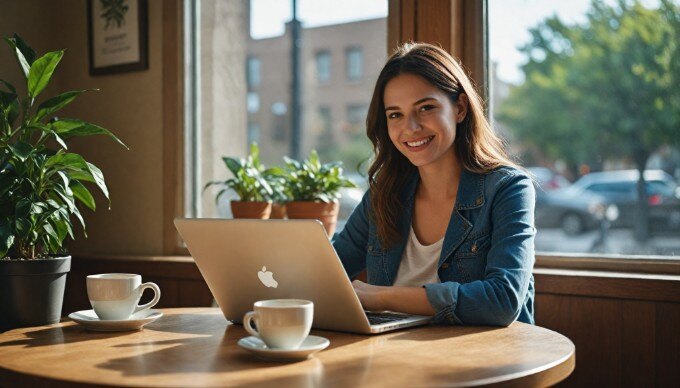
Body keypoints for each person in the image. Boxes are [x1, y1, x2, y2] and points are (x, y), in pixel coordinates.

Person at [332, 42, 536, 326]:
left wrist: (381, 297)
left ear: (460, 108)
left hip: (481, 360)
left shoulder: (507, 188)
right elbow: (329, 271)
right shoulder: (383, 194)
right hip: (391, 356)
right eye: (395, 114)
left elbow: (502, 300)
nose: (410, 127)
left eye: (425, 108)